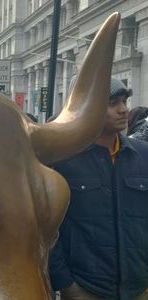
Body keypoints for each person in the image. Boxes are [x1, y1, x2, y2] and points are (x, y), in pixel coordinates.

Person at [49, 78, 148, 300]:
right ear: (86, 107)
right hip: (85, 288)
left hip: (138, 287)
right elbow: (47, 231)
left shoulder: (143, 155)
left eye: (124, 101)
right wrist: (65, 283)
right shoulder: (63, 160)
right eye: (112, 103)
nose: (123, 110)